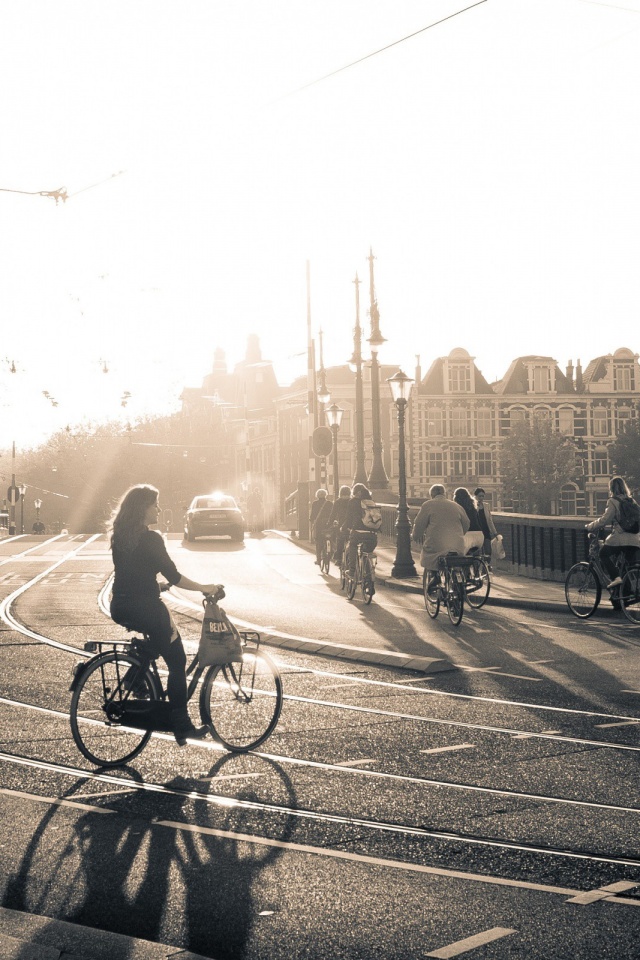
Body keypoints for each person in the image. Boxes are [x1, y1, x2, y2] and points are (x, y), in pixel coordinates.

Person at [108, 484, 223, 746]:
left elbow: (131, 573)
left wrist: (154, 584)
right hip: (147, 607)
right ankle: (181, 724)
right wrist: (205, 587)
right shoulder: (151, 538)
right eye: (155, 504)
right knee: (177, 659)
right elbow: (175, 576)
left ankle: (136, 676)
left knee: (158, 645)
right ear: (143, 509)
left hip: (121, 606)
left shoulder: (120, 535)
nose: (159, 509)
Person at [585, 476, 640, 587]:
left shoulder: (613, 501)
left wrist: (590, 526)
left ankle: (616, 577)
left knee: (603, 554)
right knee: (625, 568)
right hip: (635, 540)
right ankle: (623, 597)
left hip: (620, 539)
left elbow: (605, 520)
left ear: (612, 489)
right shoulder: (632, 501)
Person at [411, 484, 470, 584]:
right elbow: (466, 523)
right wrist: (460, 534)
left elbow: (419, 525)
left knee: (428, 556)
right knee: (455, 562)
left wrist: (415, 537)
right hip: (457, 545)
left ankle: (434, 576)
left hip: (437, 546)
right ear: (444, 494)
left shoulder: (427, 505)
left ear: (431, 495)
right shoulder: (456, 506)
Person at [341, 483, 378, 580]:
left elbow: (348, 519)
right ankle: (368, 575)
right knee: (367, 552)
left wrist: (344, 528)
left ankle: (352, 571)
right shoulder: (371, 502)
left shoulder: (352, 502)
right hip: (372, 534)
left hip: (357, 532)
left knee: (352, 546)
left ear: (356, 493)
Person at [453, 487, 484, 555]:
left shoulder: (458, 509)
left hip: (467, 536)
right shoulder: (473, 507)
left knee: (460, 557)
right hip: (479, 535)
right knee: (473, 557)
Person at [328, 485, 352, 564]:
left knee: (339, 541)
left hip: (341, 525)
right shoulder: (351, 501)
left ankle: (338, 559)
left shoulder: (337, 502)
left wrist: (329, 523)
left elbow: (333, 514)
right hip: (351, 525)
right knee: (350, 541)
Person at [309, 489, 333, 564]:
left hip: (319, 526)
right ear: (325, 495)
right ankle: (329, 555)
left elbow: (312, 516)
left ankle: (319, 560)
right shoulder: (330, 503)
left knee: (318, 542)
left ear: (317, 495)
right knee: (330, 539)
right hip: (328, 525)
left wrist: (311, 522)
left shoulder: (315, 503)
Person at [474, 487, 498, 559]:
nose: (481, 498)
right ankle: (477, 567)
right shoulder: (473, 505)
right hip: (477, 531)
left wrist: (494, 532)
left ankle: (486, 567)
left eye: (482, 496)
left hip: (486, 530)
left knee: (488, 551)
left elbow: (490, 520)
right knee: (477, 552)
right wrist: (476, 506)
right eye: (479, 496)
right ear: (475, 496)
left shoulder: (486, 505)